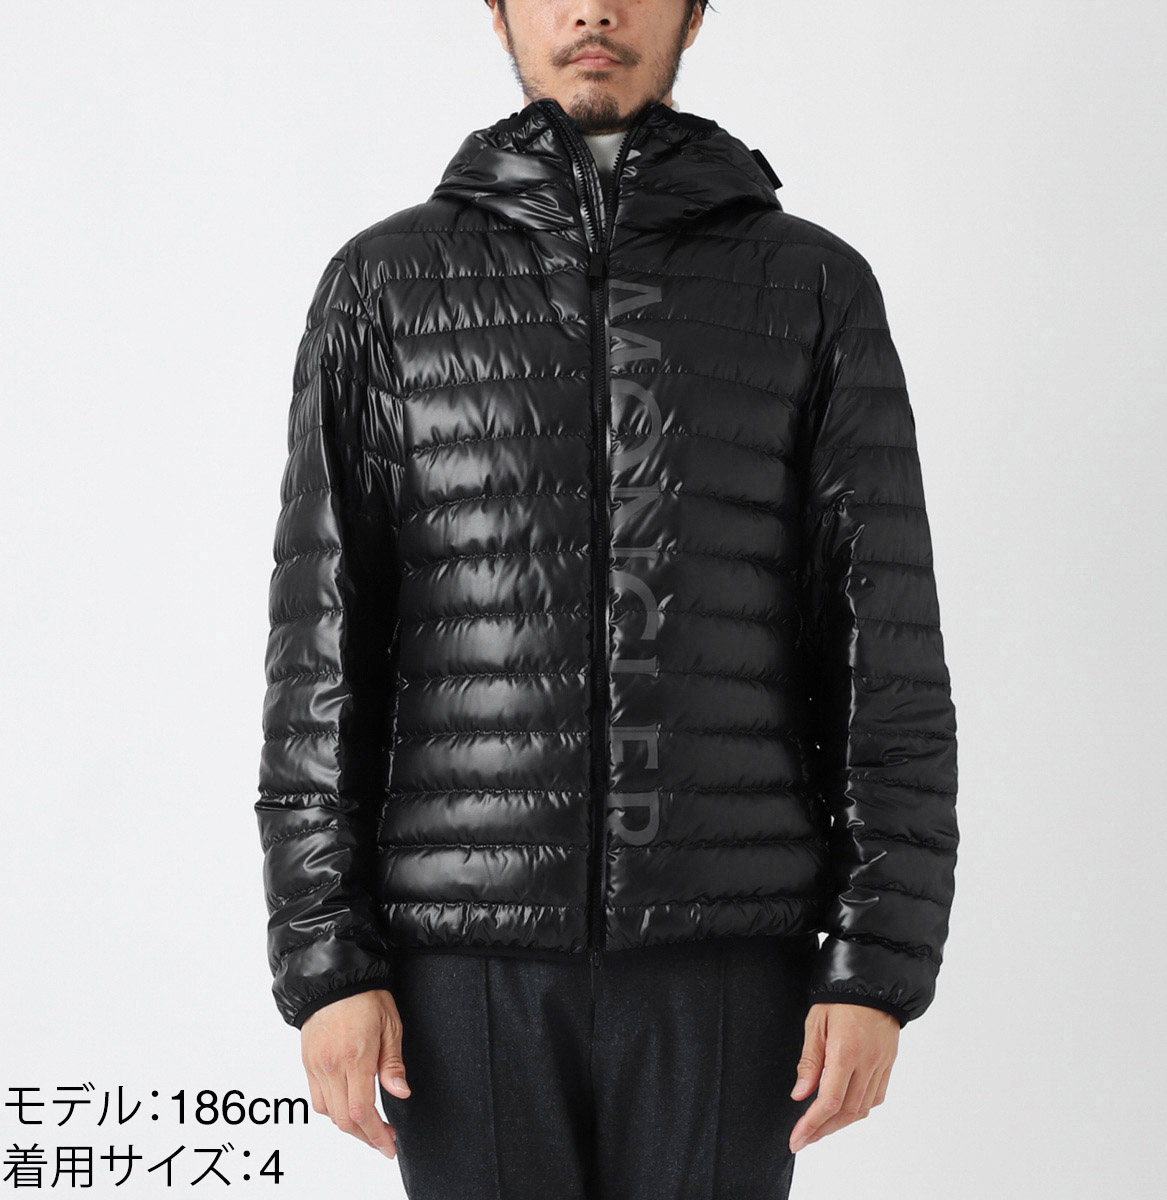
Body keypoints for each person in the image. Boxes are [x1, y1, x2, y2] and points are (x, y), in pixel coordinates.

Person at [254, 2, 959, 1196]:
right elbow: (322, 649)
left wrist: (876, 963)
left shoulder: (812, 287)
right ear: (497, 9)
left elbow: (882, 646)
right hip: (457, 973)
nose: (592, 10)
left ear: (695, 9)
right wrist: (327, 961)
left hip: (730, 962)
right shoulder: (383, 287)